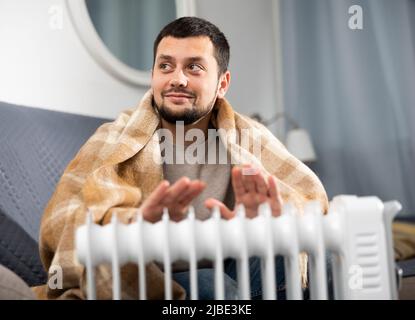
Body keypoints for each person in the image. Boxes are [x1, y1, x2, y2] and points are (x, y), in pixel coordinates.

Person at [37, 16, 328, 300]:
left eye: (194, 68)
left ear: (222, 83)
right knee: (209, 285)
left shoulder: (250, 138)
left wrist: (272, 222)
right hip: (149, 278)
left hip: (233, 270)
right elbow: (59, 226)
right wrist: (133, 226)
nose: (177, 79)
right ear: (153, 75)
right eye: (165, 66)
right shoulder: (112, 139)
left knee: (310, 262)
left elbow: (311, 200)